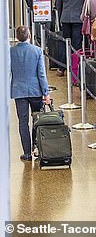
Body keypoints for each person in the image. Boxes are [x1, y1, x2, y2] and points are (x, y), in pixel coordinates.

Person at [10, 26, 51, 161]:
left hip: (18, 91)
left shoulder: (11, 51)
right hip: (35, 91)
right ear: (30, 35)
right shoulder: (37, 51)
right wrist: (46, 93)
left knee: (23, 122)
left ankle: (27, 153)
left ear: (16, 37)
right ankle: (37, 147)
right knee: (37, 119)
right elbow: (41, 74)